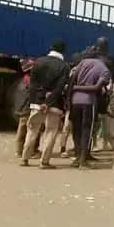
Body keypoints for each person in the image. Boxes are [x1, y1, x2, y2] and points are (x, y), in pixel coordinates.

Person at [20, 41, 70, 169]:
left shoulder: (39, 62)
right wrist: (48, 102)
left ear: (51, 48)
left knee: (32, 130)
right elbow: (59, 88)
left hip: (36, 102)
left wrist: (37, 101)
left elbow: (33, 85)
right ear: (63, 51)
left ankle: (25, 158)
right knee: (51, 132)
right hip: (54, 105)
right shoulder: (64, 66)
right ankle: (44, 162)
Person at [69, 50, 111, 168]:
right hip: (89, 102)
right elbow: (97, 87)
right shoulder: (103, 68)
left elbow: (72, 82)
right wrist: (83, 87)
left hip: (75, 101)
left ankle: (77, 158)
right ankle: (83, 160)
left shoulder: (81, 63)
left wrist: (76, 88)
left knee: (76, 130)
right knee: (87, 130)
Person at [14, 58, 34, 157]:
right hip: (26, 108)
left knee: (22, 129)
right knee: (25, 130)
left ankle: (19, 150)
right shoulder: (29, 80)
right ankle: (24, 151)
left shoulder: (23, 80)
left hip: (22, 108)